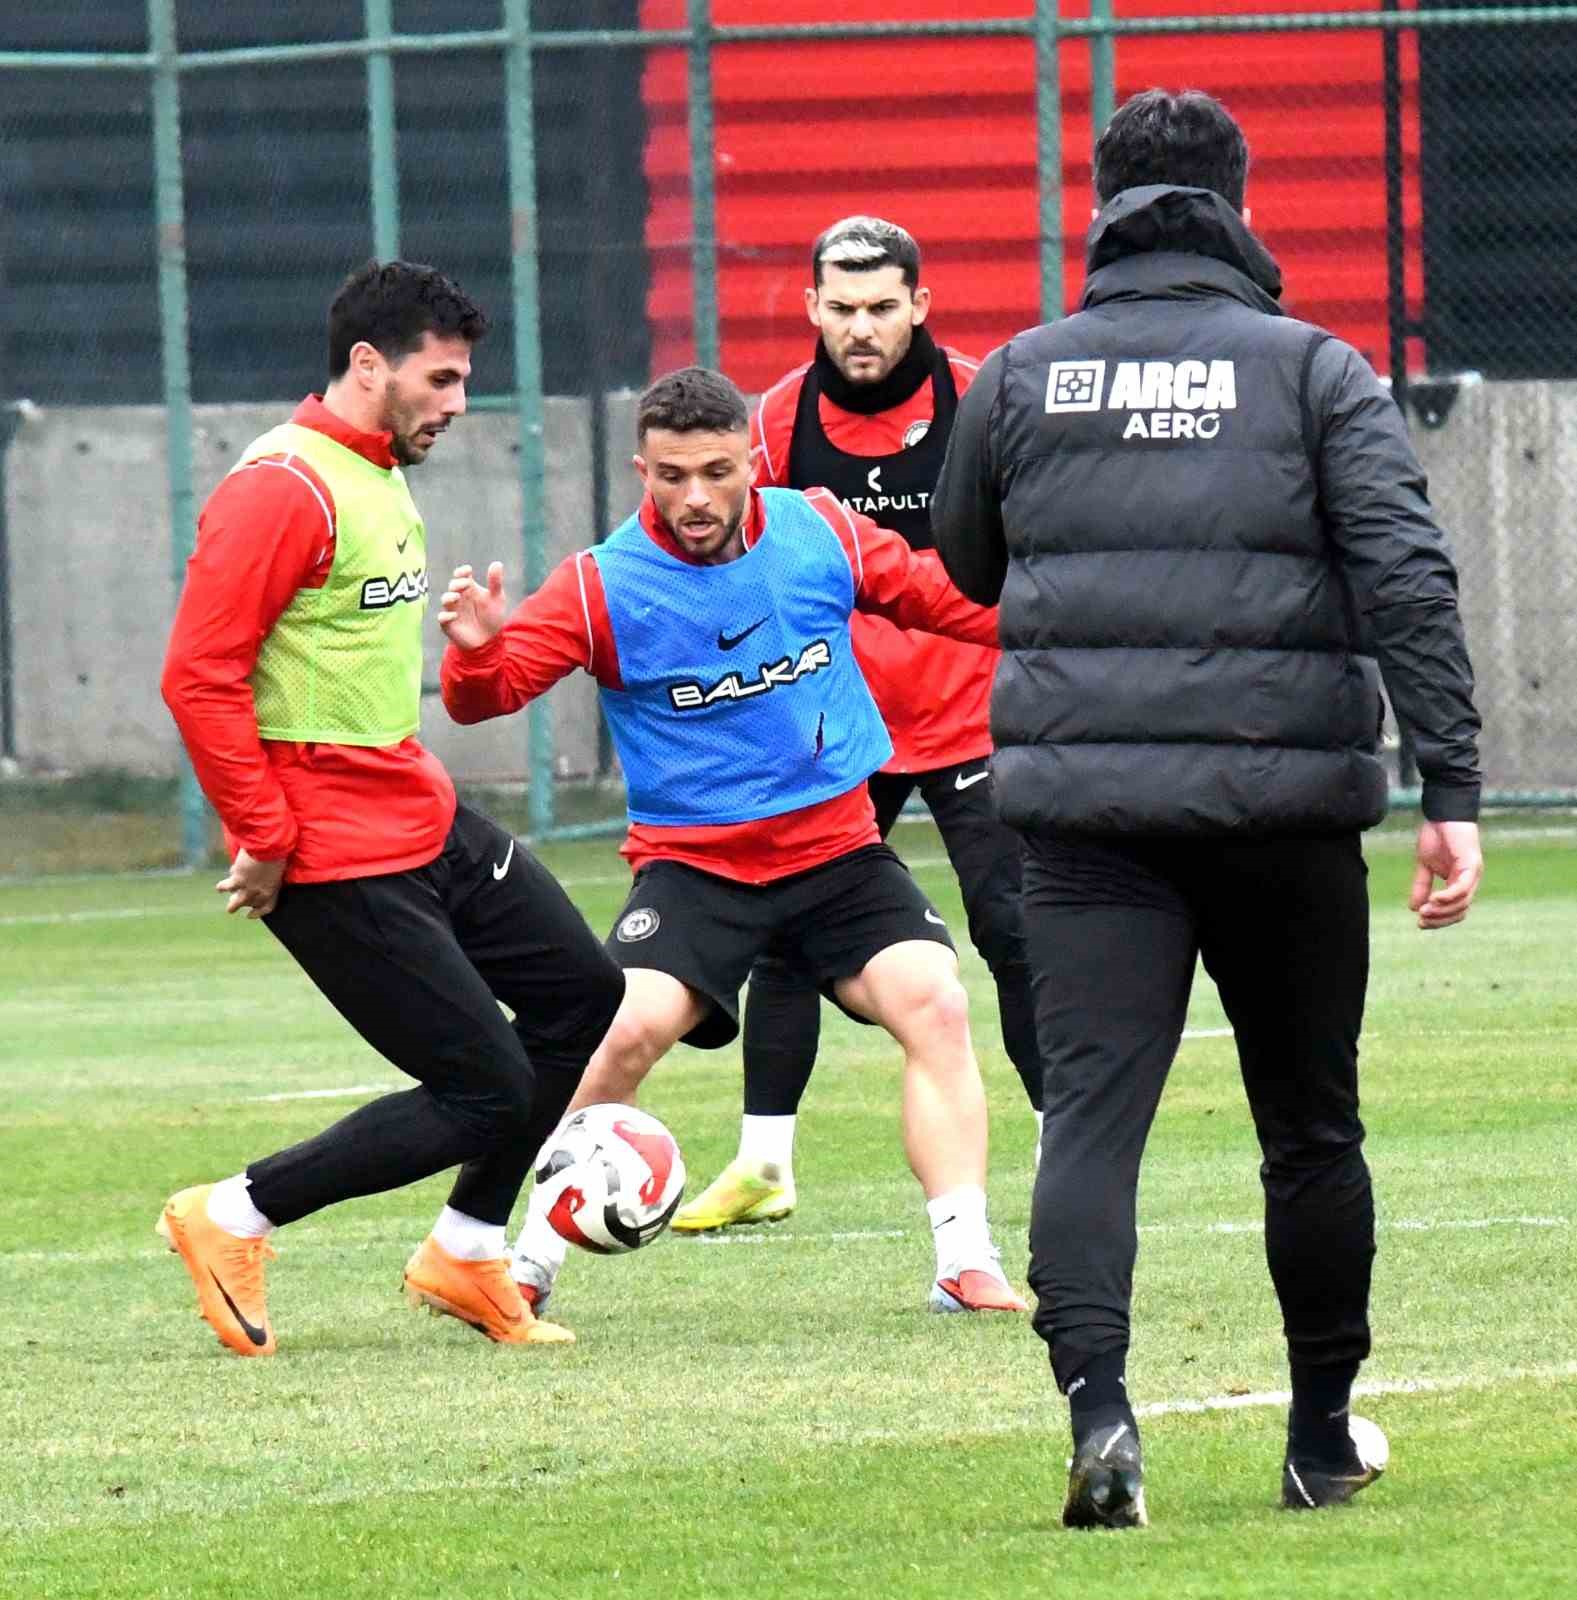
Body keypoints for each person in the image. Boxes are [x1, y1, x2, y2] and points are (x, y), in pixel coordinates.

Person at [932, 89, 1484, 1526]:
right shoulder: (1314, 372)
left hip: (1084, 820)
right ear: (1239, 208)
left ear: (1102, 207)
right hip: (1281, 813)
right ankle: (1318, 1437)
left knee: (1089, 1124)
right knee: (1309, 1129)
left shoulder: (1021, 373)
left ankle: (1102, 1415)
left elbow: (967, 562)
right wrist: (1450, 782)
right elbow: (1405, 572)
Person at [437, 365, 1028, 1325]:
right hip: (697, 868)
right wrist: (473, 654)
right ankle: (527, 1265)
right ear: (642, 471)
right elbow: (485, 699)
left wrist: (1070, 607)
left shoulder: (819, 531)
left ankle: (964, 1260)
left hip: (838, 852)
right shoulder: (601, 585)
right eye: (672, 476)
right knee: (619, 1031)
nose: (696, 497)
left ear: (751, 460)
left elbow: (941, 599)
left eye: (716, 471)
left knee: (936, 1001)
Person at [158, 259, 624, 1357]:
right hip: (329, 851)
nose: (458, 402)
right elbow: (198, 677)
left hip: (415, 809)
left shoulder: (373, 469)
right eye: (442, 378)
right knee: (485, 1088)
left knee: (581, 994)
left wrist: (476, 652)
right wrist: (264, 836)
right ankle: (230, 1215)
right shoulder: (283, 488)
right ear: (369, 365)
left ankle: (465, 1251)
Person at [674, 215, 1045, 1237]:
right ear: (811, 307)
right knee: (785, 934)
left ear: (919, 304)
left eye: (882, 305)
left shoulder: (982, 399)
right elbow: (742, 561)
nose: (861, 327)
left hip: (974, 715)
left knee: (1016, 927)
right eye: (840, 307)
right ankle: (763, 1163)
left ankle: (1063, 1141)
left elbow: (1032, 539)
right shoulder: (773, 420)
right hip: (836, 726)